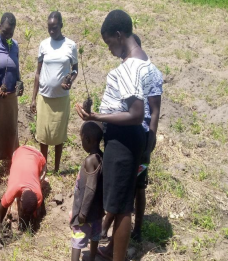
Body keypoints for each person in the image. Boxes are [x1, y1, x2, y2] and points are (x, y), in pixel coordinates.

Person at [75, 10, 156, 261]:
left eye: (110, 43)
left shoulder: (130, 66)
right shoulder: (143, 61)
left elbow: (134, 113)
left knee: (121, 209)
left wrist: (97, 117)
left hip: (123, 141)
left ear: (119, 35)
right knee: (121, 204)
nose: (110, 49)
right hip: (129, 140)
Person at [100, 34, 164, 247]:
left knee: (132, 188)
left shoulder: (147, 71)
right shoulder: (139, 69)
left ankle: (128, 230)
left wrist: (149, 143)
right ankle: (120, 230)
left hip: (137, 137)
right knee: (132, 187)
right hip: (136, 137)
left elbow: (153, 111)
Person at [31, 11, 78, 172]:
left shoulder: (70, 45)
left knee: (59, 135)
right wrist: (33, 98)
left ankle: (56, 169)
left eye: (55, 27)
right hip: (44, 96)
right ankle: (44, 168)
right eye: (49, 27)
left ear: (61, 26)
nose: (52, 31)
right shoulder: (44, 45)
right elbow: (37, 73)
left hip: (61, 98)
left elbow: (75, 69)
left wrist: (70, 80)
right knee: (43, 136)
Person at [0, 12, 20, 171]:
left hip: (12, 95)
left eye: (11, 32)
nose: (8, 35)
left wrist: (19, 83)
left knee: (11, 127)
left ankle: (9, 160)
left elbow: (16, 68)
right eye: (5, 31)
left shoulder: (15, 45)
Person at [69, 121, 104, 261]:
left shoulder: (90, 160)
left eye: (82, 138)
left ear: (88, 140)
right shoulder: (101, 156)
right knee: (95, 235)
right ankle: (92, 257)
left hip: (85, 212)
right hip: (97, 211)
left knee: (77, 240)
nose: (81, 142)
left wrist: (83, 212)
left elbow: (90, 188)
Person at [0, 145, 46, 228]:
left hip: (36, 156)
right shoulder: (13, 189)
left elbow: (35, 215)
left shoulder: (39, 197)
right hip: (20, 152)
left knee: (41, 179)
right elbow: (0, 211)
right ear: (20, 200)